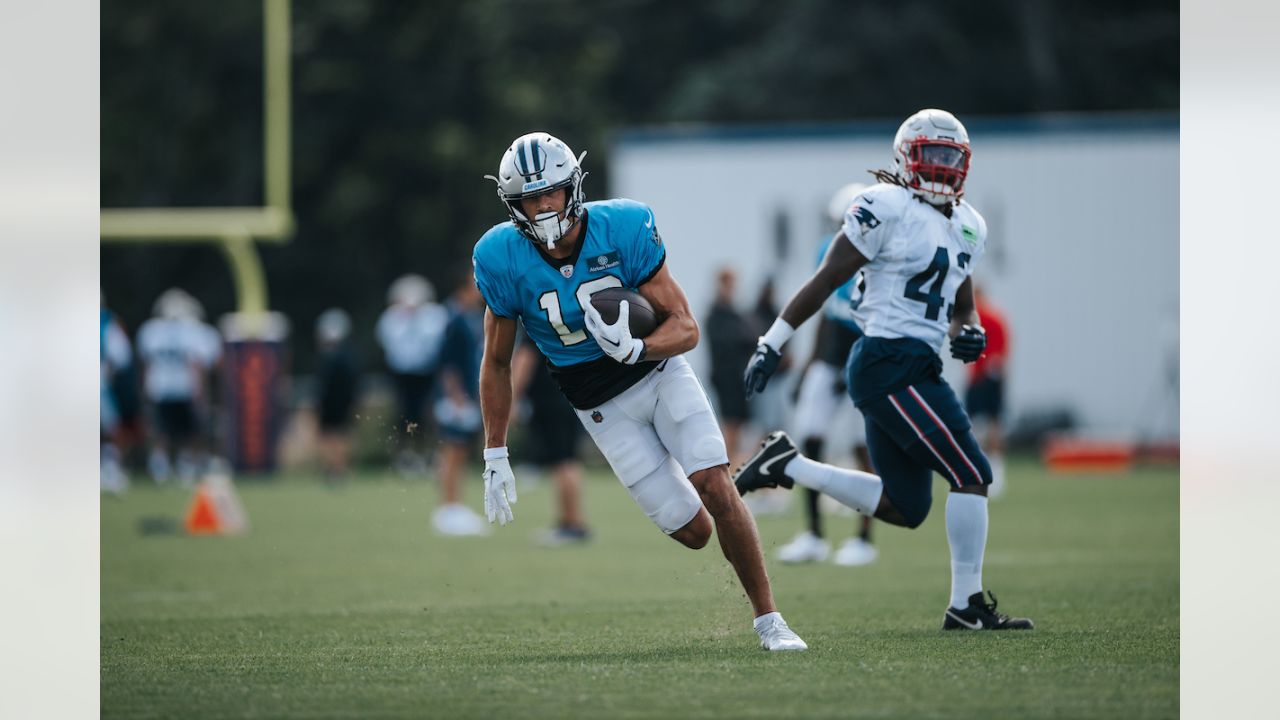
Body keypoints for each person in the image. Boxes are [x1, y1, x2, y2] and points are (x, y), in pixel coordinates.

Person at [473, 131, 807, 651]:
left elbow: (687, 328)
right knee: (696, 532)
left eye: (551, 193)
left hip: (658, 374)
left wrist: (638, 349)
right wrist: (495, 449)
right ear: (512, 204)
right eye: (529, 198)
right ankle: (694, 480)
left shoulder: (623, 226)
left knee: (716, 485)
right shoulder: (499, 255)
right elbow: (495, 362)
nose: (542, 207)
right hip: (600, 407)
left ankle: (770, 621)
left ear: (573, 188)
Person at [737, 109, 1033, 631]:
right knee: (972, 474)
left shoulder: (968, 224)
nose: (942, 168)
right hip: (887, 360)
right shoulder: (883, 205)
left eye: (950, 158)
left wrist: (967, 332)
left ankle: (789, 465)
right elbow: (827, 277)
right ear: (906, 157)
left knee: (907, 505)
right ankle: (965, 607)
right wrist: (772, 341)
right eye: (932, 156)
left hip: (915, 363)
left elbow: (960, 304)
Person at [776, 184, 878, 566]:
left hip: (862, 360)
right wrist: (808, 367)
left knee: (860, 446)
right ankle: (815, 533)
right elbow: (826, 311)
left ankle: (865, 537)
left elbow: (870, 322)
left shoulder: (878, 256)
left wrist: (855, 371)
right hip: (830, 356)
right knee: (809, 438)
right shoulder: (827, 249)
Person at [136, 288, 222, 485]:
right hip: (184, 389)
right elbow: (198, 365)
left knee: (162, 432)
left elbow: (146, 365)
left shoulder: (152, 331)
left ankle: (162, 467)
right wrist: (200, 392)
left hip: (159, 389)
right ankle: (183, 467)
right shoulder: (193, 332)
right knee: (187, 432)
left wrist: (145, 389)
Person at [511, 334, 591, 545]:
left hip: (550, 400)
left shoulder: (535, 317)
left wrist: (512, 399)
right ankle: (569, 522)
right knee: (565, 460)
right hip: (571, 394)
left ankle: (572, 524)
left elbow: (525, 358)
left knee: (563, 461)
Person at [431, 273, 488, 536]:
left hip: (467, 394)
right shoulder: (453, 319)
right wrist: (455, 397)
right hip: (457, 397)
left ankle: (454, 506)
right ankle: (448, 507)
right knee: (453, 451)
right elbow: (447, 363)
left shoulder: (469, 316)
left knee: (461, 450)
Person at [376, 274, 449, 477]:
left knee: (429, 413)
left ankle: (430, 453)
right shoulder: (391, 318)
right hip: (402, 374)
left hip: (427, 372)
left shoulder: (433, 316)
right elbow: (390, 344)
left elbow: (435, 342)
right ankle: (406, 455)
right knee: (405, 414)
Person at [703, 267, 756, 466]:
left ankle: (732, 468)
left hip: (738, 380)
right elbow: (736, 340)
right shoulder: (716, 315)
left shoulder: (733, 313)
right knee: (730, 428)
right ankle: (727, 469)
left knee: (739, 428)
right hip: (727, 380)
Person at [964, 284, 1010, 499]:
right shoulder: (992, 317)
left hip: (986, 378)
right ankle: (984, 470)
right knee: (983, 425)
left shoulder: (987, 317)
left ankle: (993, 471)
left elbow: (1000, 350)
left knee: (989, 425)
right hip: (983, 377)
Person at [314, 308, 360, 485]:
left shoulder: (333, 357)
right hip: (341, 402)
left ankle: (337, 469)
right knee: (338, 436)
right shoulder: (347, 355)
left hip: (334, 403)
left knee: (336, 436)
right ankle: (337, 469)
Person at [101, 295, 134, 495]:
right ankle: (110, 470)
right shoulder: (108, 324)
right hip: (100, 383)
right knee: (113, 428)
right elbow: (121, 357)